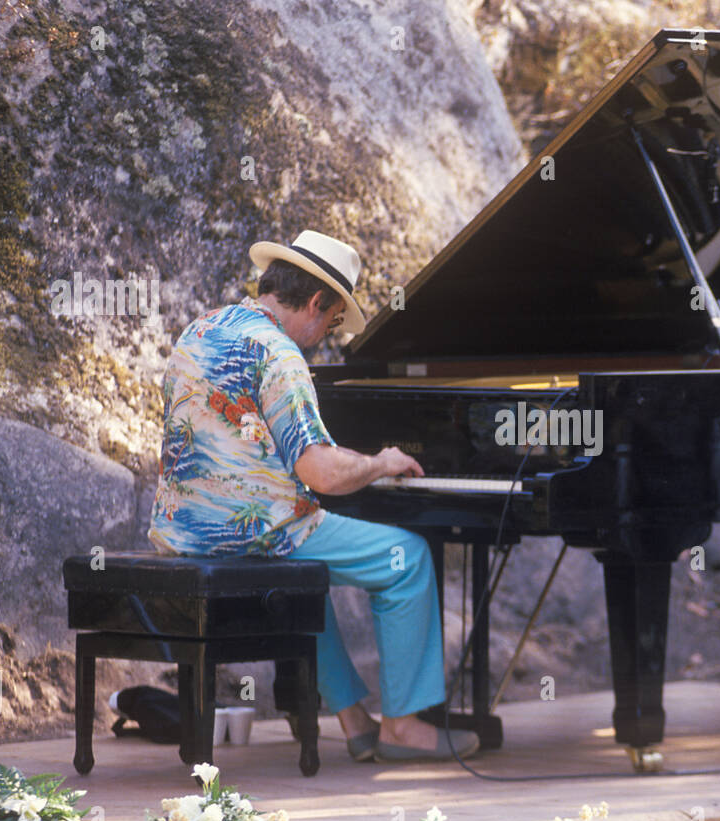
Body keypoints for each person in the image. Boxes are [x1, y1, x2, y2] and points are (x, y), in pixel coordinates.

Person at [147, 230, 479, 763]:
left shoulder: (203, 328)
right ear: (318, 300)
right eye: (332, 320)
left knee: (305, 585)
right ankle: (404, 728)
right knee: (408, 559)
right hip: (255, 535)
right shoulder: (279, 355)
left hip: (182, 530)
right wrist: (379, 463)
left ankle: (355, 722)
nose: (327, 335)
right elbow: (321, 473)